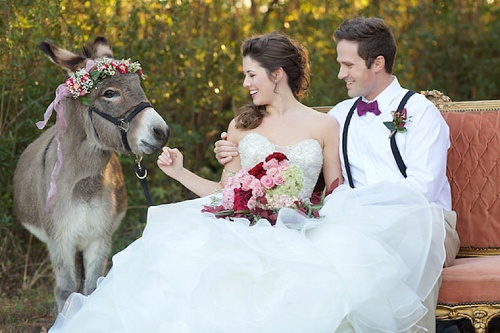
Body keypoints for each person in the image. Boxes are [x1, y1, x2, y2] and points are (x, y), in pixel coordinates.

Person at [49, 31, 445, 333]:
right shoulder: (242, 125)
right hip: (239, 227)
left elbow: (336, 193)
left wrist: (305, 212)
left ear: (277, 75)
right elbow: (224, 194)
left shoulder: (328, 123)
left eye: (251, 75)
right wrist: (179, 171)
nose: (245, 84)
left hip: (301, 229)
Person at [214, 17, 460, 332]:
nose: (340, 74)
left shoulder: (422, 113)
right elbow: (291, 148)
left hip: (427, 224)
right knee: (307, 255)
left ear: (378, 63)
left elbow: (421, 192)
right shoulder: (339, 116)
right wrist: (235, 152)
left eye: (348, 65)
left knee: (355, 248)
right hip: (353, 223)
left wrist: (356, 210)